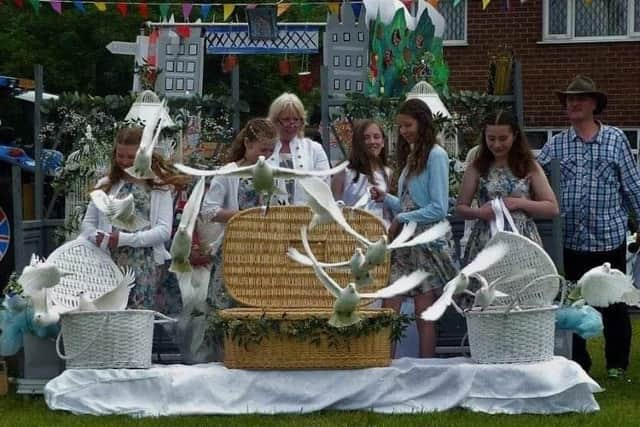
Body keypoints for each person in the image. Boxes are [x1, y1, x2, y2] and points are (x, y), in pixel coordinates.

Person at [538, 75, 640, 378]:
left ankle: (617, 365)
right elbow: (533, 177)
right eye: (569, 99)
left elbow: (633, 187)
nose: (573, 103)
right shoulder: (556, 144)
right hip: (569, 239)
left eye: (579, 99)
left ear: (594, 104)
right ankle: (578, 363)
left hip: (607, 237)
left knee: (614, 304)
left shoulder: (615, 139)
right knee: (572, 302)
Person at [370, 99, 458, 358]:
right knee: (390, 306)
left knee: (423, 312)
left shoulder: (436, 155)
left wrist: (402, 217)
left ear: (422, 122)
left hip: (425, 242)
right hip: (407, 241)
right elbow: (409, 203)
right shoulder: (412, 156)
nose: (404, 131)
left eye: (408, 125)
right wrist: (386, 198)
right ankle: (383, 364)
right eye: (400, 127)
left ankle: (425, 370)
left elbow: (439, 208)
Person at [80, 127, 189, 311]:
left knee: (136, 321)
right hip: (107, 263)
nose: (124, 161)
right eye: (120, 155)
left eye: (130, 157)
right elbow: (88, 222)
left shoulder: (158, 188)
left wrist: (123, 239)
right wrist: (96, 236)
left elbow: (163, 230)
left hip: (144, 265)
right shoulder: (106, 184)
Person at [456, 110, 559, 264]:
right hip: (487, 240)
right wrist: (479, 212)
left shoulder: (529, 166)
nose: (497, 144)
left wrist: (519, 203)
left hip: (522, 240)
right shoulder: (476, 167)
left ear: (515, 136)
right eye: (491, 138)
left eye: (503, 138)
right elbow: (460, 208)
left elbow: (552, 208)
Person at [267, 93, 330, 206]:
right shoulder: (264, 148)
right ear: (275, 120)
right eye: (286, 119)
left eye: (296, 119)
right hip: (269, 220)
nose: (292, 124)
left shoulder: (315, 149)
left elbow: (323, 187)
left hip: (306, 218)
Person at [331, 119, 392, 227]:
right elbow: (334, 211)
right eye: (366, 138)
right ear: (358, 143)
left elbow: (386, 211)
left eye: (377, 137)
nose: (372, 141)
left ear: (383, 142)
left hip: (380, 234)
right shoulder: (343, 171)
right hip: (350, 235)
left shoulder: (387, 173)